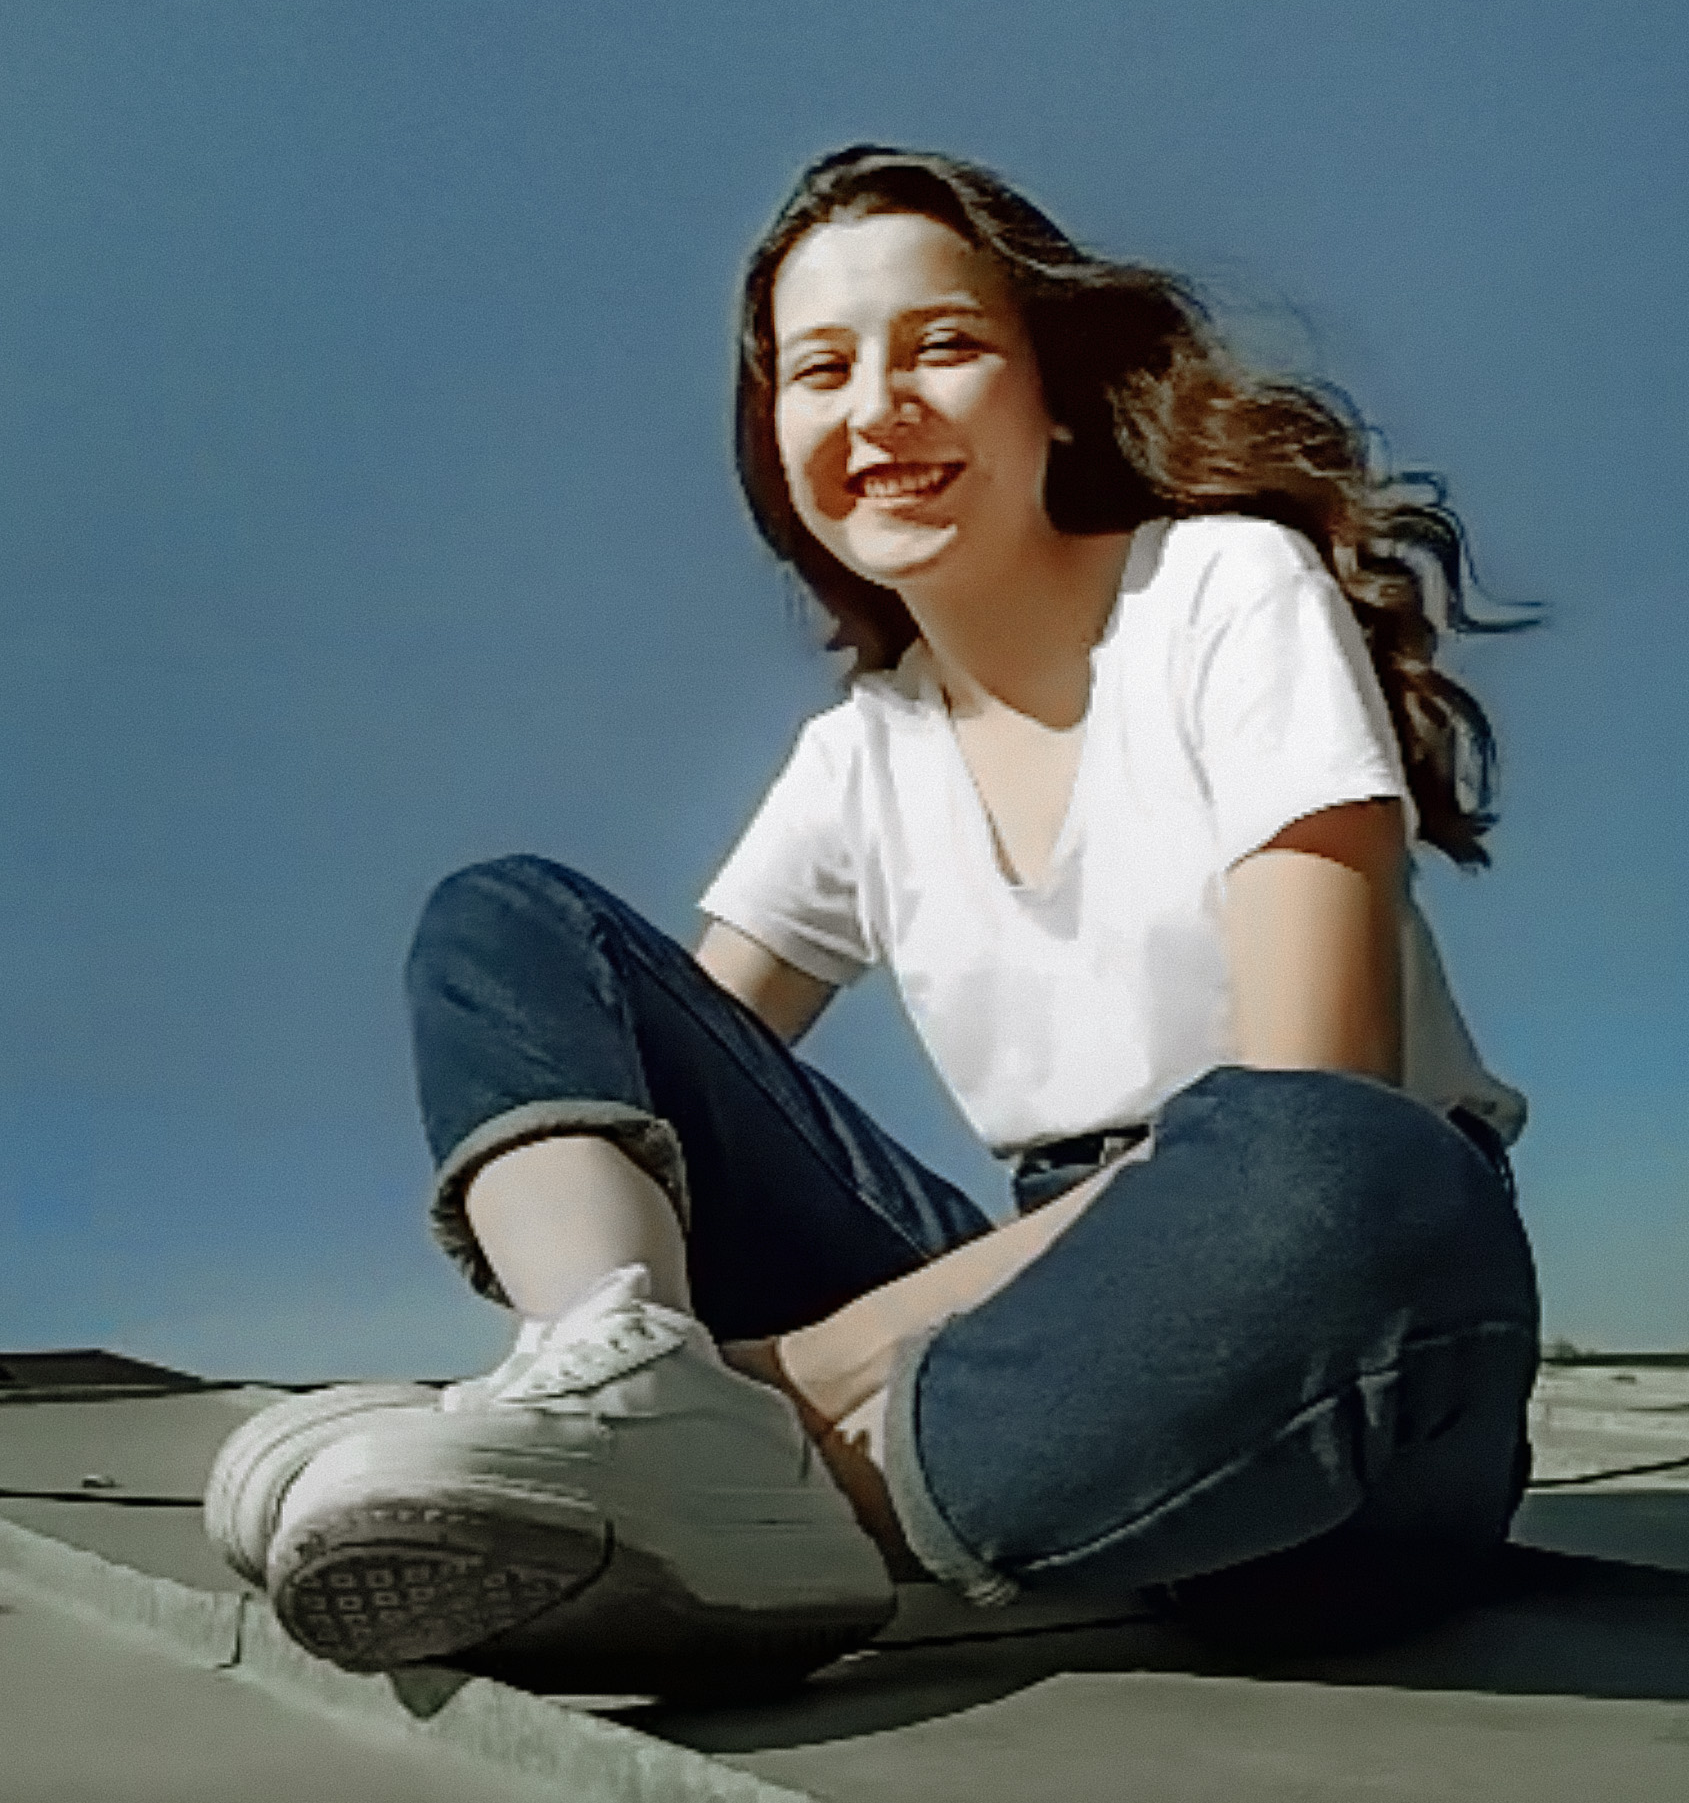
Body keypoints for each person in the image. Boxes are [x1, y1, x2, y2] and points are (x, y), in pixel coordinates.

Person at [203, 147, 1541, 1700]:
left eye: (943, 345)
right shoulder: (862, 751)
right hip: (1011, 1325)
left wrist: (789, 1370)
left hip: (1312, 1324)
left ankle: (705, 1471)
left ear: (1053, 397)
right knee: (509, 919)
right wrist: (643, 1324)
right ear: (776, 438)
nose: (879, 407)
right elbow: (663, 1084)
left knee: (1339, 1167)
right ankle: (612, 1381)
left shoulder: (1224, 590)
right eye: (822, 369)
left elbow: (1322, 1084)